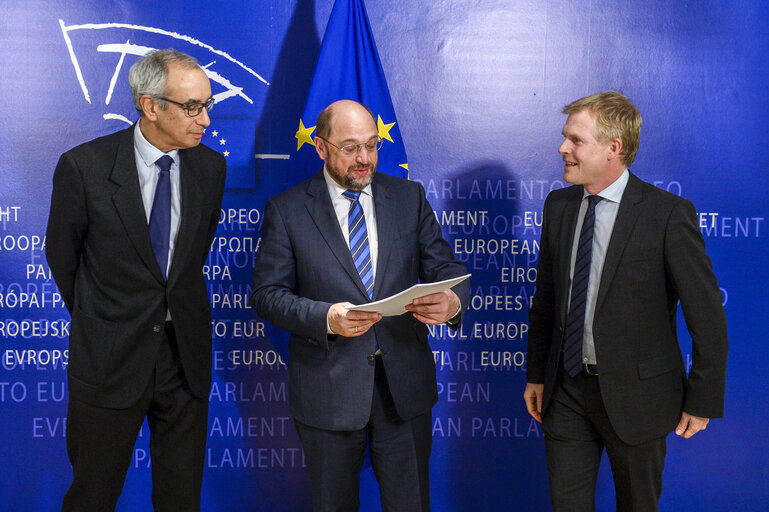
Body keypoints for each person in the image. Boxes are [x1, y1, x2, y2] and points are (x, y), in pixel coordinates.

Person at [251, 99, 470, 512]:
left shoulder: (409, 197)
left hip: (403, 389)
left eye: (372, 145)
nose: (364, 159)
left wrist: (452, 302)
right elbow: (266, 295)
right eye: (350, 148)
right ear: (320, 147)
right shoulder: (287, 210)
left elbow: (448, 268)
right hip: (327, 390)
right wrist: (327, 318)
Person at [524, 91, 728, 511]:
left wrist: (703, 399)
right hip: (566, 393)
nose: (563, 148)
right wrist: (537, 375)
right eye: (565, 137)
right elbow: (546, 301)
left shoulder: (667, 214)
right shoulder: (559, 206)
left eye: (575, 140)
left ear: (613, 148)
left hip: (641, 400)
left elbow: (706, 315)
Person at [46, 49, 226, 511]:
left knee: (181, 499)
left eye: (208, 105)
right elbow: (63, 259)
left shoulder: (210, 167)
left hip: (183, 360)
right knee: (93, 495)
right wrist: (106, 318)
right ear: (151, 106)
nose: (205, 119)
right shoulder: (83, 168)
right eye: (193, 107)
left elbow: (190, 260)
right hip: (109, 360)